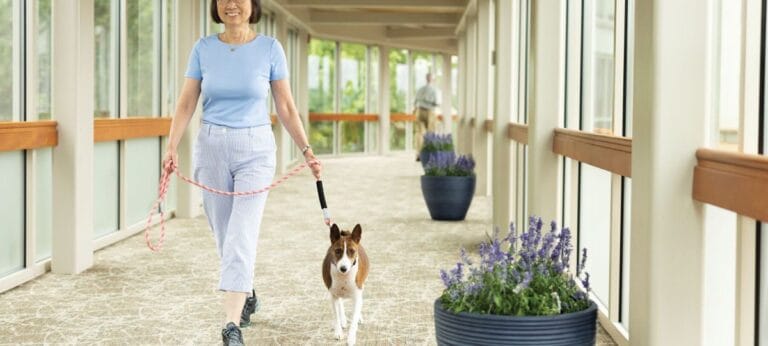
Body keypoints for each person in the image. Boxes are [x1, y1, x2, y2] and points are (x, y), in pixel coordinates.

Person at [162, 0, 321, 344]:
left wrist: (306, 150)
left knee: (240, 233)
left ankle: (230, 325)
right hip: (212, 146)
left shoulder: (270, 49)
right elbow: (187, 101)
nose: (231, 4)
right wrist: (172, 146)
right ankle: (246, 291)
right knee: (224, 233)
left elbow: (286, 106)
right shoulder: (203, 48)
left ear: (253, 5)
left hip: (256, 150)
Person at [413, 73, 439, 161]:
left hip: (419, 110)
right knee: (431, 133)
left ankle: (419, 154)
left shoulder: (420, 89)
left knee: (419, 133)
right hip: (429, 112)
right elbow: (436, 103)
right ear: (432, 79)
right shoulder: (434, 90)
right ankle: (430, 154)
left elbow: (415, 102)